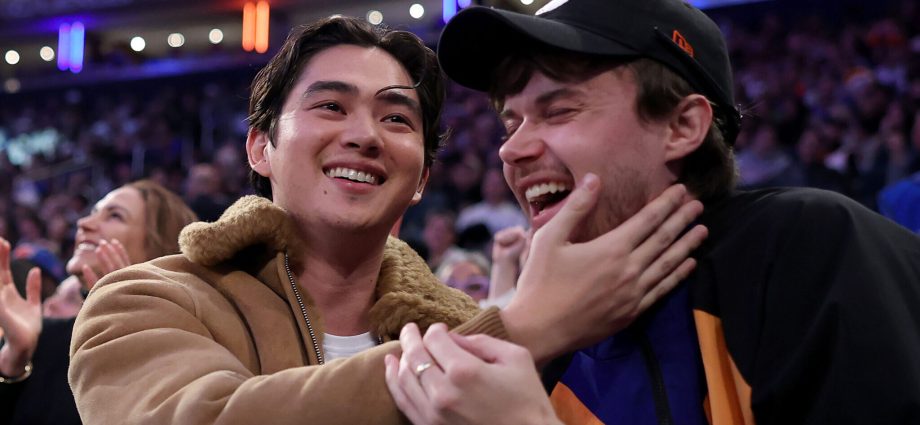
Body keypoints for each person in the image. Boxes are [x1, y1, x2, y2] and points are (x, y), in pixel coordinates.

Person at [68, 15, 708, 424]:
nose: (365, 136)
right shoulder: (149, 298)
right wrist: (513, 331)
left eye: (398, 118)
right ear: (260, 147)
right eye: (330, 106)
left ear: (423, 177)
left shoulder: (460, 324)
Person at [385, 0, 920, 424]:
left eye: (559, 110)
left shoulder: (809, 249)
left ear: (682, 127)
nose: (511, 150)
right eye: (510, 123)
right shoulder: (546, 331)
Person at [0, 180, 197, 425]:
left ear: (157, 246)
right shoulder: (44, 337)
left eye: (114, 215)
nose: (83, 224)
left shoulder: (184, 343)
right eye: (93, 212)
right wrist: (13, 360)